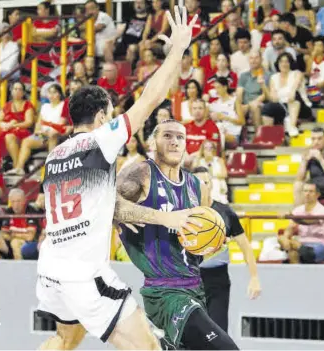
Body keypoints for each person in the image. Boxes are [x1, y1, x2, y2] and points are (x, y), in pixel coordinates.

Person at [36, 7, 203, 350]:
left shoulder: (54, 156)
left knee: (65, 340)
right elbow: (151, 98)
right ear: (101, 117)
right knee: (150, 348)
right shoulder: (100, 139)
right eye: (110, 116)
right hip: (85, 275)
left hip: (50, 269)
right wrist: (178, 49)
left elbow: (102, 205)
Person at [116, 120, 239, 350]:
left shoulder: (195, 185)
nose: (174, 142)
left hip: (195, 287)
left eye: (180, 137)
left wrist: (211, 243)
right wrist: (162, 218)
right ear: (153, 142)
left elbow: (194, 244)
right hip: (164, 292)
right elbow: (110, 204)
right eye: (167, 136)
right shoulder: (141, 173)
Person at [194, 167, 261, 332]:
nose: (201, 186)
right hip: (189, 280)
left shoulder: (225, 213)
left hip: (217, 280)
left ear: (211, 185)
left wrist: (254, 277)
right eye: (196, 182)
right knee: (189, 336)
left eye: (205, 182)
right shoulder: (182, 213)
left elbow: (245, 246)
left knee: (217, 334)